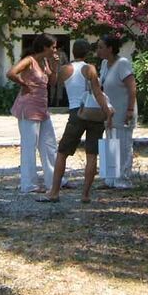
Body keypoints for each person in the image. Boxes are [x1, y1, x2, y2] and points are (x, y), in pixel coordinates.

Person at [39, 39, 114, 203]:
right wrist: (108, 112)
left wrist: (54, 63)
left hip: (76, 113)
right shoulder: (90, 69)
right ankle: (85, 194)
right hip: (94, 114)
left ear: (73, 52)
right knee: (92, 155)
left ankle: (54, 192)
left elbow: (55, 82)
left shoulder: (66, 69)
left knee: (62, 153)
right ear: (88, 53)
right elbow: (97, 93)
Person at [7, 34, 60, 194]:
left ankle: (54, 180)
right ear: (44, 47)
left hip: (42, 109)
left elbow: (53, 82)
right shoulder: (29, 60)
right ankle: (29, 184)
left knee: (49, 144)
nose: (55, 50)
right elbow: (11, 73)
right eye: (53, 47)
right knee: (29, 146)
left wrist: (55, 66)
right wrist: (24, 84)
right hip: (28, 108)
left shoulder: (44, 62)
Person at [96, 34, 137, 189]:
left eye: (101, 47)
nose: (98, 50)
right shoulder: (105, 64)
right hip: (110, 112)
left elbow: (132, 87)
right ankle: (110, 178)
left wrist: (130, 109)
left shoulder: (123, 63)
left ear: (110, 48)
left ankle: (124, 179)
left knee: (123, 144)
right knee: (110, 143)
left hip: (123, 110)